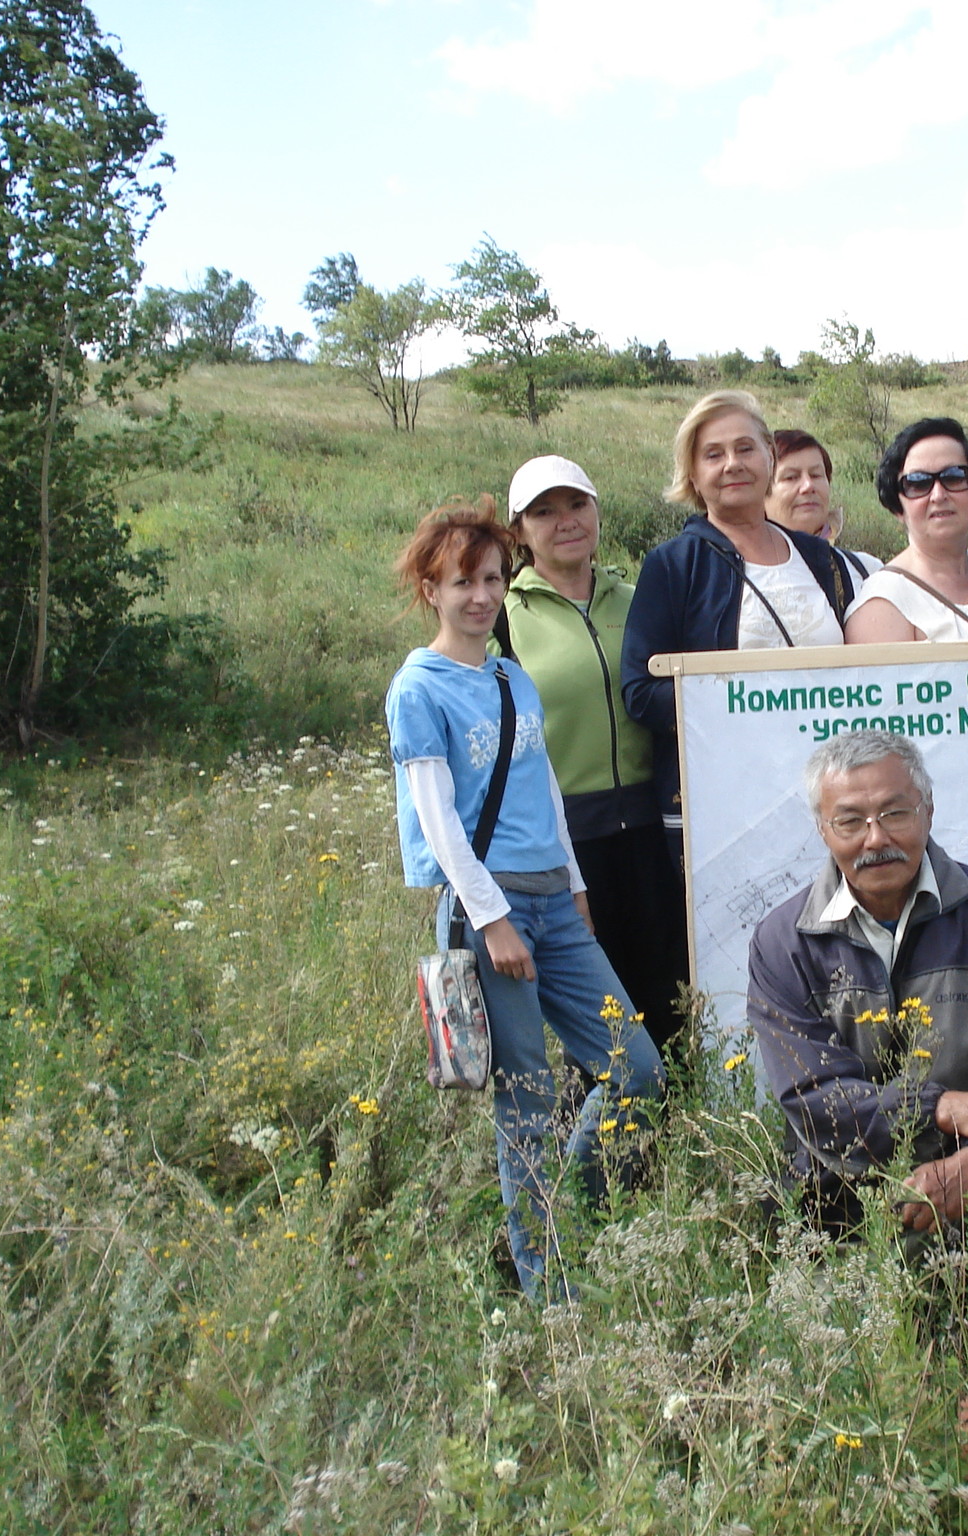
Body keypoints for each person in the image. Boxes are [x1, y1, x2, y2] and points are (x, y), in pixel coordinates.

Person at [386, 499, 664, 1299]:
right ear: (430, 589)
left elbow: (542, 785)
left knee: (635, 1068)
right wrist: (492, 918)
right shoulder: (419, 687)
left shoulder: (510, 675)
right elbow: (437, 821)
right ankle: (548, 1282)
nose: (480, 596)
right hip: (492, 907)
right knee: (528, 1099)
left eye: (493, 579)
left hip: (553, 898)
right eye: (461, 581)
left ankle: (569, 1207)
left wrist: (575, 886)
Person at [747, 730, 968, 1252]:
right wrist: (945, 1109)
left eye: (895, 813)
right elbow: (815, 1100)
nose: (875, 839)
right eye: (850, 821)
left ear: (928, 810)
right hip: (850, 1196)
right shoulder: (785, 942)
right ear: (823, 831)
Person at [499, 455, 688, 1054]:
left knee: (673, 991)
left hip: (656, 827)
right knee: (605, 1009)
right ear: (519, 531)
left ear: (597, 511)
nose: (565, 522)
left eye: (577, 505)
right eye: (544, 512)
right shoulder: (501, 617)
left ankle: (680, 1125)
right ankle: (615, 1134)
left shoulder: (639, 599)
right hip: (569, 840)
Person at [622, 390, 856, 855]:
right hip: (727, 807)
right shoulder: (673, 564)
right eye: (714, 454)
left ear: (769, 456)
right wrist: (753, 697)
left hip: (830, 796)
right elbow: (639, 692)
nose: (733, 464)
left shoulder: (816, 556)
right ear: (692, 472)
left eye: (746, 448)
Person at [845, 418, 968, 644]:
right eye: (918, 484)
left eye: (954, 477)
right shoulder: (882, 606)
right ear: (897, 506)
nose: (938, 495)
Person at [767, 427, 882, 581]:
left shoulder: (866, 571)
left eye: (816, 475)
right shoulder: (736, 580)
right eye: (791, 477)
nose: (808, 486)